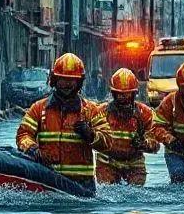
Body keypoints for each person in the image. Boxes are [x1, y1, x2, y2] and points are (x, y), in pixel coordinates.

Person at [15, 52, 112, 192]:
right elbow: (23, 135)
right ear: (54, 80)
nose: (67, 84)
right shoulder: (38, 108)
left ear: (79, 82)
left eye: (71, 80)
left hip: (82, 187)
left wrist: (90, 134)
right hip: (47, 181)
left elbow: (108, 141)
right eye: (63, 79)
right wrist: (33, 149)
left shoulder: (91, 110)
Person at [96, 68, 159, 186]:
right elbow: (91, 138)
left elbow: (156, 145)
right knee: (107, 193)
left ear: (134, 94)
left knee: (136, 194)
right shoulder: (101, 112)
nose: (122, 98)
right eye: (119, 94)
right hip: (107, 163)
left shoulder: (145, 113)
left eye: (126, 94)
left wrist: (144, 144)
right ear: (113, 93)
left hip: (134, 164)